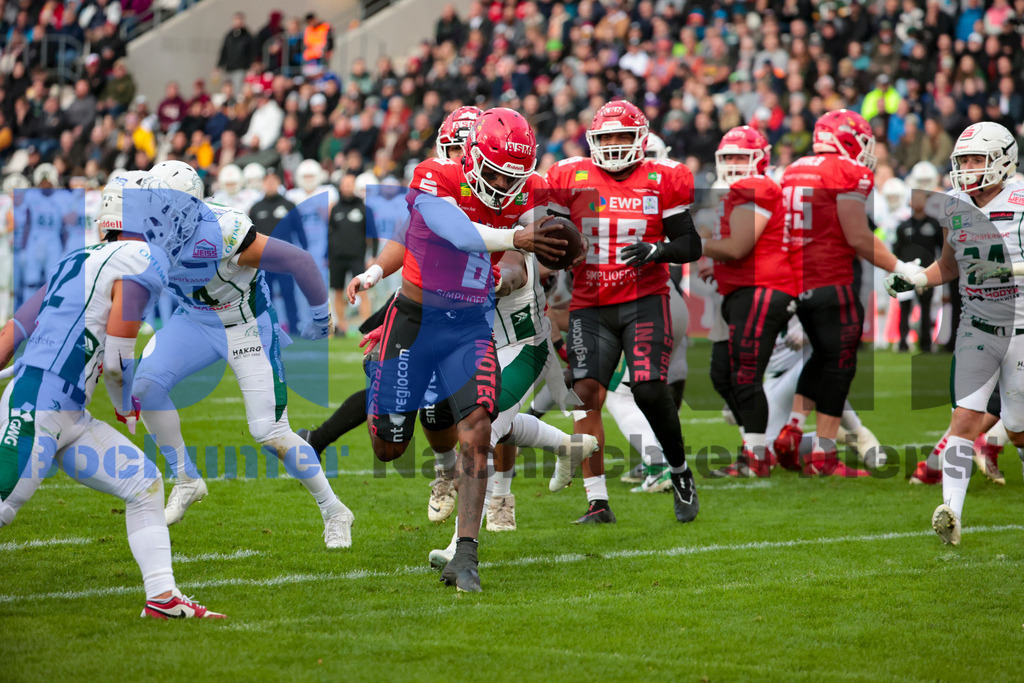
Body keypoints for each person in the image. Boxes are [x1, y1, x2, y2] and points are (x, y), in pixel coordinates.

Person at [348, 108, 569, 592]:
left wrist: (553, 251)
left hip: (469, 325)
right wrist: (517, 236)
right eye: (491, 172)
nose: (499, 184)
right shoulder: (436, 175)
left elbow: (531, 255)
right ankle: (381, 376)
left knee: (478, 429)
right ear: (468, 157)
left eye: (510, 176)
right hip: (414, 318)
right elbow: (458, 233)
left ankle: (466, 553)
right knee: (388, 448)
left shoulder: (525, 191)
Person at [0, 172, 223, 618]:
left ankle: (162, 597)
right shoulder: (142, 257)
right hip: (40, 404)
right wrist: (126, 408)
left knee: (144, 484)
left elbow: (14, 330)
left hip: (67, 411)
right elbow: (121, 357)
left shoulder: (75, 258)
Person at [133, 160, 354, 549]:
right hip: (195, 321)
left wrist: (322, 317)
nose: (156, 216)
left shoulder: (223, 231)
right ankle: (186, 479)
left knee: (269, 432)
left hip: (244, 324)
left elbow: (299, 261)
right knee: (145, 388)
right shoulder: (144, 229)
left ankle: (334, 509)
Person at [545, 100, 702, 524]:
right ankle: (598, 502)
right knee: (586, 397)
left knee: (650, 389)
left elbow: (692, 244)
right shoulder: (570, 176)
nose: (614, 145)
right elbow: (552, 238)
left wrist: (658, 250)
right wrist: (549, 264)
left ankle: (680, 473)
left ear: (640, 139)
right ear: (593, 141)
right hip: (591, 304)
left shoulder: (660, 178)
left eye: (621, 136)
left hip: (643, 299)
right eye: (606, 137)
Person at [885, 121, 1024, 545]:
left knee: (1018, 428)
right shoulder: (954, 203)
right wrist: (916, 280)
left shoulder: (1021, 199)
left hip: (1021, 326)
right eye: (962, 159)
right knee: (963, 419)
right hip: (977, 324)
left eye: (975, 159)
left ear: (1002, 158)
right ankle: (951, 516)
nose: (967, 168)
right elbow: (949, 265)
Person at [773, 109, 924, 476]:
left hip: (798, 281)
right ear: (845, 138)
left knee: (823, 356)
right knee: (840, 365)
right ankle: (824, 456)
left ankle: (792, 429)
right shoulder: (847, 171)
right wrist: (900, 266)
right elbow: (857, 235)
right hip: (831, 279)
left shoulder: (793, 169)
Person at [702, 126, 797, 477]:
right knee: (722, 374)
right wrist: (718, 267)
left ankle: (758, 456)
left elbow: (738, 247)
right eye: (728, 157)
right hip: (740, 289)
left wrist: (692, 246)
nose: (734, 164)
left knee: (745, 374)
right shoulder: (733, 193)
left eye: (741, 157)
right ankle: (755, 448)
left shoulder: (759, 187)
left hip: (765, 287)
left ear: (760, 158)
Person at [249, 168, 304, 333]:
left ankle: (294, 327)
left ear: (279, 183)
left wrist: (304, 253)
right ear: (263, 183)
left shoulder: (288, 205)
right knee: (265, 296)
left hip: (284, 260)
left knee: (289, 293)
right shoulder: (256, 207)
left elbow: (300, 231)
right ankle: (266, 328)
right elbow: (250, 235)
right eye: (267, 180)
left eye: (273, 180)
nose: (270, 183)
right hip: (263, 260)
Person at [893, 184, 943, 352]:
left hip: (926, 273)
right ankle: (902, 343)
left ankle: (926, 344)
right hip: (905, 273)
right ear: (910, 202)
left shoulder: (935, 225)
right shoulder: (903, 226)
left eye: (921, 199)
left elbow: (942, 250)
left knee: (926, 308)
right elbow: (896, 251)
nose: (918, 202)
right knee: (904, 308)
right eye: (915, 199)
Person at [328, 173, 371, 335]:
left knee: (363, 291)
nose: (346, 187)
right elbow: (331, 233)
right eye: (344, 184)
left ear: (355, 186)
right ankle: (342, 327)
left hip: (357, 256)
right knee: (337, 292)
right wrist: (329, 256)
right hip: (337, 257)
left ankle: (366, 326)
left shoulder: (364, 208)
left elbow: (371, 234)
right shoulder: (336, 208)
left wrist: (371, 256)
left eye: (349, 184)